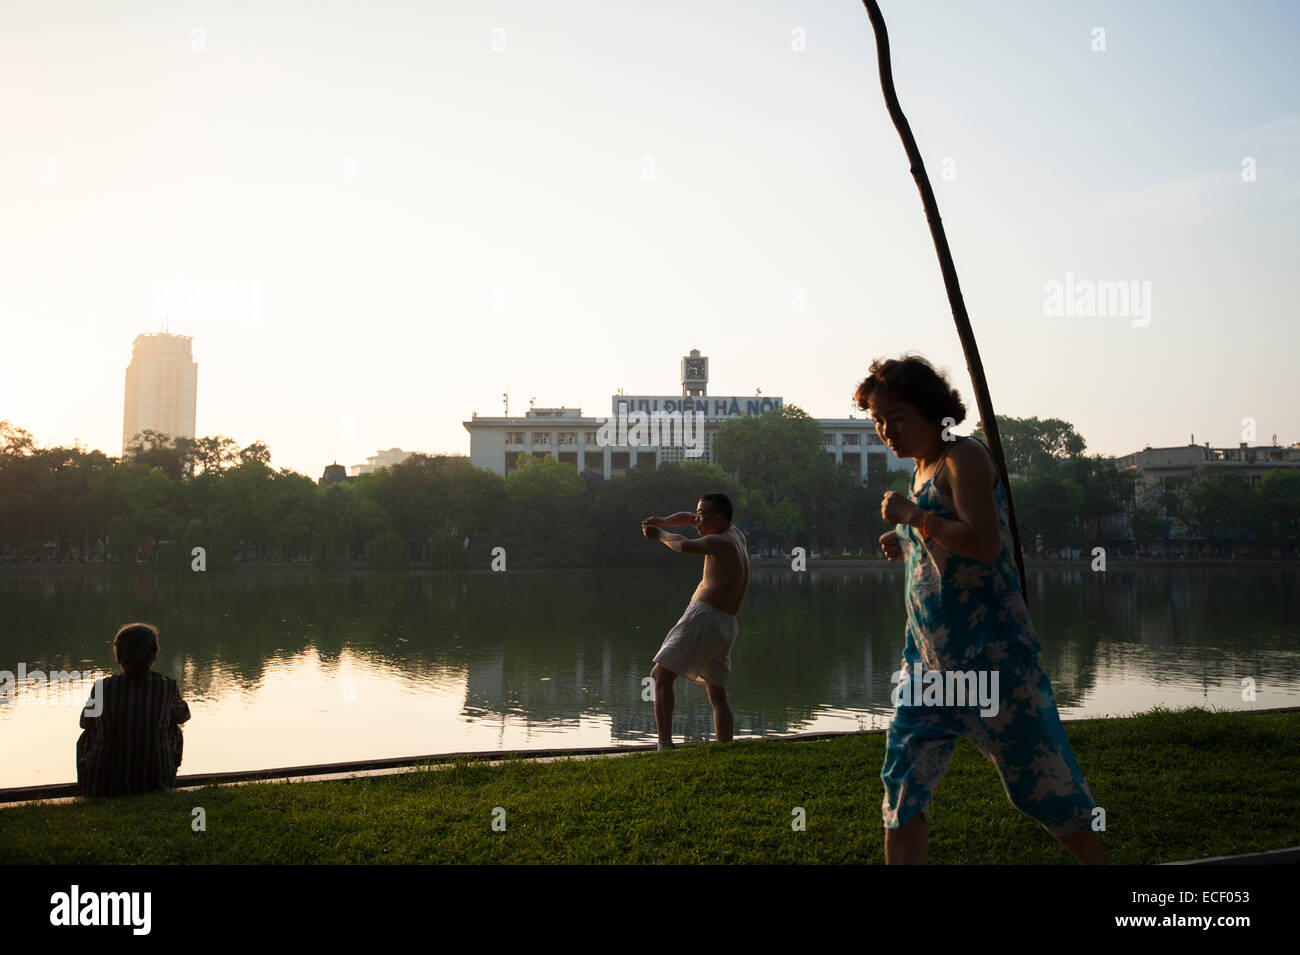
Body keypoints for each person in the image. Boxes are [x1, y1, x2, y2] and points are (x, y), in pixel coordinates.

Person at [857, 354, 1106, 865]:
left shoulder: (962, 458)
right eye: (878, 421)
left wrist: (913, 517)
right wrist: (904, 537)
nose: (887, 431)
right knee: (902, 792)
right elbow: (943, 541)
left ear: (932, 410)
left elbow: (985, 543)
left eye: (897, 418)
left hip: (989, 660)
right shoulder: (924, 468)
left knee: (1041, 787)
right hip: (927, 663)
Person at [641, 494, 749, 749]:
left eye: (702, 514)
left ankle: (664, 745)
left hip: (705, 617)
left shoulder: (720, 541)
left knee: (660, 676)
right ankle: (725, 747)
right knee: (717, 693)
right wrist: (665, 521)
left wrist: (660, 535)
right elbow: (688, 519)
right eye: (698, 513)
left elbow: (686, 546)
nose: (696, 518)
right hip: (725, 624)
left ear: (719, 519)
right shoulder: (735, 534)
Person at [77, 622, 191, 797]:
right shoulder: (167, 687)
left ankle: (89, 785)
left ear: (119, 657)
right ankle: (162, 780)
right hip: (154, 783)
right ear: (154, 655)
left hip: (104, 785)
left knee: (89, 734)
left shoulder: (103, 687)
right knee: (173, 729)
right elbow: (184, 715)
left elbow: (84, 721)